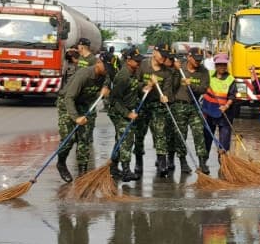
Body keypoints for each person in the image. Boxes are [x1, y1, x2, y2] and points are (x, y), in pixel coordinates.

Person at [55, 54, 111, 182]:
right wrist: (76, 118)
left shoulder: (105, 76)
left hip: (85, 105)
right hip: (67, 104)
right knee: (69, 139)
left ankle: (83, 172)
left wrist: (102, 94)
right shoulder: (84, 75)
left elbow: (94, 94)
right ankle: (61, 163)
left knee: (84, 138)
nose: (107, 70)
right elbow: (69, 97)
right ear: (98, 62)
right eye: (106, 67)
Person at [108, 46, 147, 182]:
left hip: (129, 109)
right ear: (128, 61)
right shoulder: (123, 76)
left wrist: (144, 87)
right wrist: (127, 114)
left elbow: (134, 86)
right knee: (127, 138)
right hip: (119, 112)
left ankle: (113, 168)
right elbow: (114, 100)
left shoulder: (133, 72)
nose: (139, 63)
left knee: (120, 140)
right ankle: (126, 171)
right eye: (136, 61)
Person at [134, 43, 173, 178]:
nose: (164, 58)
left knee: (160, 133)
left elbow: (168, 90)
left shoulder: (166, 72)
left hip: (157, 106)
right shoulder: (143, 66)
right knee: (139, 134)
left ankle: (162, 161)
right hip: (142, 104)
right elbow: (134, 82)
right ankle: (138, 161)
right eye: (163, 55)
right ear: (155, 53)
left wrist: (166, 96)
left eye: (166, 56)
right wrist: (145, 86)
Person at [171, 47, 210, 174]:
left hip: (194, 106)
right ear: (189, 57)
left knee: (199, 132)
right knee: (180, 135)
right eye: (196, 59)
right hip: (179, 105)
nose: (198, 62)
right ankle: (183, 162)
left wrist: (191, 85)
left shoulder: (204, 72)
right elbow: (170, 85)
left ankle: (202, 163)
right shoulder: (179, 67)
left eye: (200, 60)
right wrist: (176, 72)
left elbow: (204, 89)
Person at [201, 53, 236, 163]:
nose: (222, 67)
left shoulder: (230, 79)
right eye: (219, 65)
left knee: (224, 140)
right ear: (215, 66)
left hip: (224, 113)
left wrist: (226, 106)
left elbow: (232, 95)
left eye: (224, 65)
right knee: (207, 137)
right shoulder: (209, 75)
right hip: (209, 111)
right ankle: (203, 162)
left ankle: (223, 162)